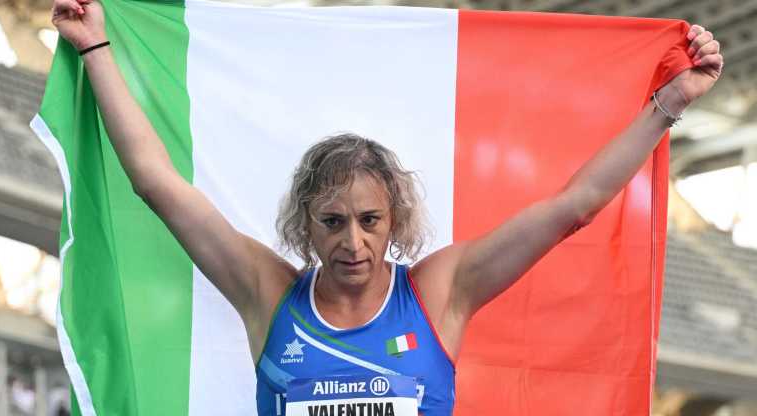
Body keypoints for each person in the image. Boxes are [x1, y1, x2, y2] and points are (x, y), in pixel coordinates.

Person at [50, 0, 723, 414]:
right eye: (333, 222)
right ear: (304, 227)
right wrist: (98, 48)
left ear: (393, 222)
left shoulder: (440, 291)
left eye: (370, 222)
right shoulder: (267, 293)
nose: (353, 243)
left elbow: (573, 206)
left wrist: (669, 106)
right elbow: (157, 184)